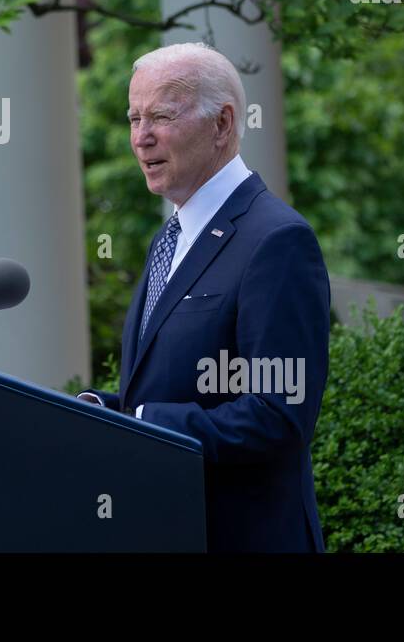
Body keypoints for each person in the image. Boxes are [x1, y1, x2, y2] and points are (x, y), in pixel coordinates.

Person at [79, 42, 330, 552]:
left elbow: (280, 415)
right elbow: (171, 386)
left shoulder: (277, 240)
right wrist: (99, 409)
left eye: (161, 117)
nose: (140, 138)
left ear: (222, 124)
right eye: (133, 118)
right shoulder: (169, 237)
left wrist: (144, 422)